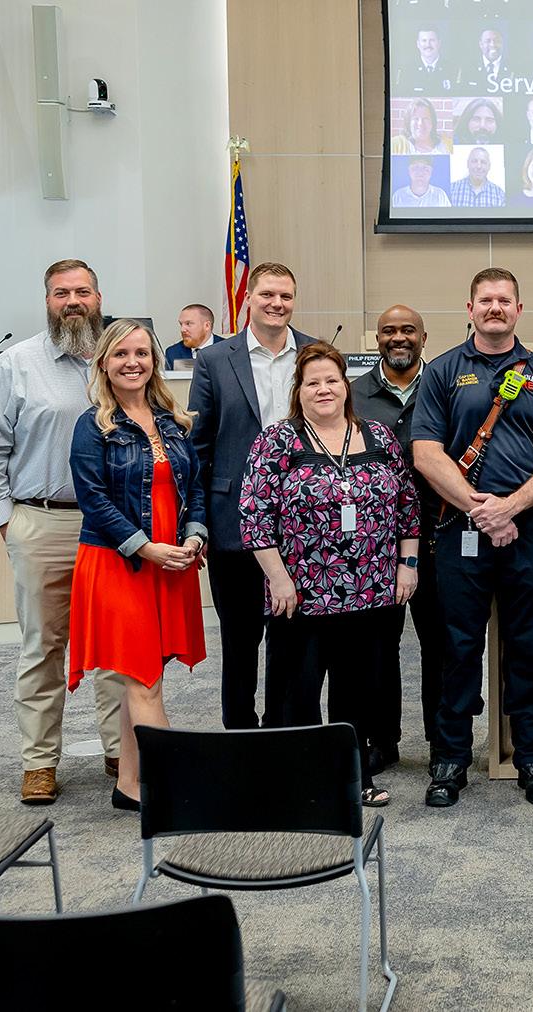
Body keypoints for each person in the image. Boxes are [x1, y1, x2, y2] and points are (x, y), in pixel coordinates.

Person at [412, 267, 533, 808]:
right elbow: (426, 454)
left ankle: (531, 756)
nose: (495, 308)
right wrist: (479, 508)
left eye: (505, 300)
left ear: (519, 310)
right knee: (458, 646)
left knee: (527, 645)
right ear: (470, 308)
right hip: (460, 528)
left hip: (526, 527)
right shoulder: (442, 371)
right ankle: (451, 758)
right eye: (485, 300)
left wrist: (511, 506)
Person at [0, 259, 124, 804]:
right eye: (61, 293)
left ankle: (119, 750)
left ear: (99, 297)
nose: (73, 301)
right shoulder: (16, 364)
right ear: (48, 301)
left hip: (114, 527)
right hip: (43, 521)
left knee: (113, 646)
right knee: (43, 646)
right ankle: (39, 762)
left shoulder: (122, 357)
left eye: (82, 291)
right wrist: (8, 522)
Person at [239, 343, 420, 808]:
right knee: (295, 692)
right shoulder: (278, 441)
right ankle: (297, 783)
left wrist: (408, 564)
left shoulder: (378, 436)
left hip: (370, 591)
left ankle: (353, 778)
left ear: (346, 386)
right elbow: (254, 515)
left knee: (357, 692)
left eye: (332, 380)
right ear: (298, 391)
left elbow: (407, 506)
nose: (323, 389)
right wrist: (278, 579)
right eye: (312, 382)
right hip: (301, 593)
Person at [68, 319, 206, 811]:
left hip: (170, 563)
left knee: (145, 675)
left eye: (142, 353)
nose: (133, 362)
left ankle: (130, 785)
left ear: (155, 361)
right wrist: (144, 547)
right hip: (119, 564)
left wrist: (194, 536)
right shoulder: (92, 425)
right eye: (122, 354)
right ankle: (177, 789)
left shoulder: (172, 420)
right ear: (104, 362)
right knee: (143, 677)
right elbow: (93, 500)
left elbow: (194, 488)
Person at [188, 262, 316, 730]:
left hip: (304, 527)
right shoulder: (214, 360)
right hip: (232, 523)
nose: (276, 304)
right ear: (249, 299)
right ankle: (240, 735)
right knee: (240, 641)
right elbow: (198, 449)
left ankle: (283, 731)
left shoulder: (314, 354)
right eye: (267, 295)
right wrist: (197, 523)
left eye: (285, 296)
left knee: (292, 640)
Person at [352, 305, 443, 775]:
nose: (398, 337)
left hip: (439, 534)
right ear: (377, 339)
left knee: (439, 643)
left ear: (424, 338)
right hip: (375, 544)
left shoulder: (443, 385)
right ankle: (381, 739)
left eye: (409, 330)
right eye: (389, 331)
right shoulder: (353, 395)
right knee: (377, 647)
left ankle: (442, 740)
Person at [163, 304, 223, 370]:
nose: (182, 329)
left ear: (207, 326)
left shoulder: (228, 350)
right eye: (181, 324)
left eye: (188, 324)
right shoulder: (173, 352)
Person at [399, 26, 457, 94]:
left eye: (432, 40)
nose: (428, 45)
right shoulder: (407, 71)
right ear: (418, 44)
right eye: (424, 40)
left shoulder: (452, 69)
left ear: (439, 43)